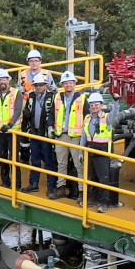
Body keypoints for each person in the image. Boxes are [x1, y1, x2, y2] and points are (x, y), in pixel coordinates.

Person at [81, 93, 121, 213]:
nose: (94, 107)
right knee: (92, 177)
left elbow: (115, 115)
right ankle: (94, 199)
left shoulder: (107, 118)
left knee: (103, 179)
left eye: (96, 105)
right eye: (92, 105)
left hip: (102, 153)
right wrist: (81, 151)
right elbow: (84, 135)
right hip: (90, 151)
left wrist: (116, 102)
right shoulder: (87, 118)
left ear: (101, 105)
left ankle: (103, 203)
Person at [51, 71, 86, 200]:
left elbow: (86, 117)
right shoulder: (58, 97)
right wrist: (50, 128)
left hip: (75, 136)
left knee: (79, 164)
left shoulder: (82, 98)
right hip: (61, 135)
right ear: (62, 84)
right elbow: (52, 114)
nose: (68, 85)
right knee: (61, 163)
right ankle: (61, 188)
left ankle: (82, 192)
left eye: (70, 82)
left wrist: (84, 137)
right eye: (66, 83)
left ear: (75, 84)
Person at [20, 72, 56, 195]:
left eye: (41, 85)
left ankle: (51, 186)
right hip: (34, 134)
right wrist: (24, 133)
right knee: (34, 160)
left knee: (48, 161)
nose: (39, 87)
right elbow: (25, 116)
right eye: (36, 85)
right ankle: (34, 184)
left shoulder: (52, 97)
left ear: (45, 85)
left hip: (46, 135)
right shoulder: (31, 97)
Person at [0, 70, 22, 189]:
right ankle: (5, 182)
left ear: (9, 80)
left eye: (4, 79)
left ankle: (17, 184)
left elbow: (18, 110)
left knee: (14, 159)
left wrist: (10, 124)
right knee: (2, 157)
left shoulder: (16, 93)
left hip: (13, 131)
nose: (2, 82)